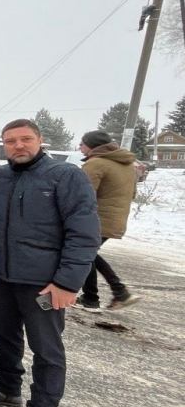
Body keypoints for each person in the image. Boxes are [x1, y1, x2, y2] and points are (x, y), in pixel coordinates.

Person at [0, 119, 100, 407]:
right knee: (4, 335)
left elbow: (83, 235)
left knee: (46, 348)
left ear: (40, 140)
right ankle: (7, 387)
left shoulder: (66, 177)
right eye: (11, 141)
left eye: (25, 139)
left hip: (44, 283)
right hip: (2, 278)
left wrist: (68, 283)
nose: (18, 146)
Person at [76, 130, 140, 312]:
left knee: (85, 253)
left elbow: (82, 197)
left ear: (93, 145)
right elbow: (133, 193)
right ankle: (103, 295)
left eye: (83, 143)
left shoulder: (95, 164)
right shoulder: (128, 164)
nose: (80, 146)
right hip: (116, 218)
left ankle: (103, 295)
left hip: (95, 219)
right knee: (88, 255)